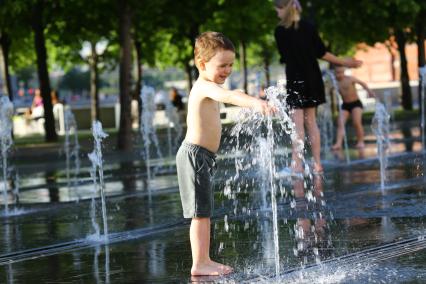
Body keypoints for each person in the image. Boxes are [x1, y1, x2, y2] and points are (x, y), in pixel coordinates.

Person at [176, 31, 275, 276]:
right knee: (200, 213)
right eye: (222, 65)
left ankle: (204, 259)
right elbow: (231, 96)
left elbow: (230, 93)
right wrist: (256, 102)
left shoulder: (209, 86)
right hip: (194, 156)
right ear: (202, 64)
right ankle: (200, 262)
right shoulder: (204, 87)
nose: (227, 70)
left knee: (203, 211)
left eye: (231, 65)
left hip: (202, 157)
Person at [273, 0, 362, 174]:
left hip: (296, 80)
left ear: (285, 8)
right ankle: (317, 164)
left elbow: (284, 56)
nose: (277, 13)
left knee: (297, 126)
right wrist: (344, 62)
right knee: (312, 123)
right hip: (313, 78)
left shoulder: (280, 31)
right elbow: (322, 53)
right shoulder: (309, 26)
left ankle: (296, 165)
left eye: (278, 9)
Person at [331, 66, 375, 150]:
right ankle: (338, 143)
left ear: (344, 72)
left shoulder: (350, 79)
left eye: (341, 72)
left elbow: (363, 83)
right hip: (345, 105)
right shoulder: (335, 83)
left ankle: (361, 141)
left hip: (356, 104)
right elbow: (329, 91)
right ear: (334, 73)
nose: (339, 75)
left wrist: (369, 91)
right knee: (340, 123)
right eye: (337, 73)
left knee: (356, 122)